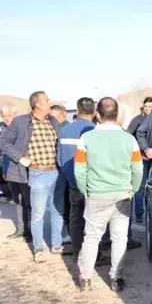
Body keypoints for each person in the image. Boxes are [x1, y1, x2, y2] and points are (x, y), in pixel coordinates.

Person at [75, 97, 143, 292]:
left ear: (97, 114)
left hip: (96, 194)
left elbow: (80, 170)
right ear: (116, 115)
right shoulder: (129, 139)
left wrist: (85, 190)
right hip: (122, 194)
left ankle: (86, 279)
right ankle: (116, 278)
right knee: (119, 238)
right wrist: (134, 189)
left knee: (92, 237)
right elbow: (137, 170)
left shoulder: (86, 138)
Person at [0, 91, 67, 262]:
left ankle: (57, 245)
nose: (49, 102)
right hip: (37, 173)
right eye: (46, 100)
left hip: (56, 172)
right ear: (37, 104)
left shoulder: (53, 121)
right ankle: (38, 249)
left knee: (58, 210)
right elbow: (4, 142)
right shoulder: (21, 122)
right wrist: (20, 157)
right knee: (38, 214)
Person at [57, 97, 102, 258]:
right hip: (92, 183)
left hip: (73, 182)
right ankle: (94, 255)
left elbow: (60, 159)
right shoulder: (96, 130)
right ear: (94, 112)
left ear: (77, 112)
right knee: (93, 220)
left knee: (75, 217)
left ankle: (77, 250)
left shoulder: (65, 130)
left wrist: (70, 178)